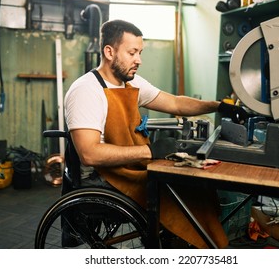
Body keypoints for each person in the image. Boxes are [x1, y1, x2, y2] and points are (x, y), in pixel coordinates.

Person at [64, 19, 247, 248]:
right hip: (103, 179)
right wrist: (150, 150)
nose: (138, 60)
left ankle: (192, 243)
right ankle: (193, 243)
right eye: (132, 53)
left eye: (140, 52)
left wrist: (219, 105)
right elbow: (90, 154)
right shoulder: (86, 91)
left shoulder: (130, 83)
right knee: (181, 192)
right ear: (109, 52)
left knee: (194, 185)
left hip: (131, 168)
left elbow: (176, 104)